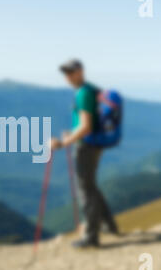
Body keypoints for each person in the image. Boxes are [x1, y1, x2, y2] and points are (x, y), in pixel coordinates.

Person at [51, 59, 118, 248]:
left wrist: (63, 142)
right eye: (66, 73)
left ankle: (91, 237)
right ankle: (109, 225)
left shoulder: (83, 93)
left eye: (71, 72)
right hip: (94, 144)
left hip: (86, 146)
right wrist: (72, 133)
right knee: (91, 186)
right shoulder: (92, 89)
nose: (68, 77)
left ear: (80, 71)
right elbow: (89, 123)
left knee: (85, 190)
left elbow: (86, 126)